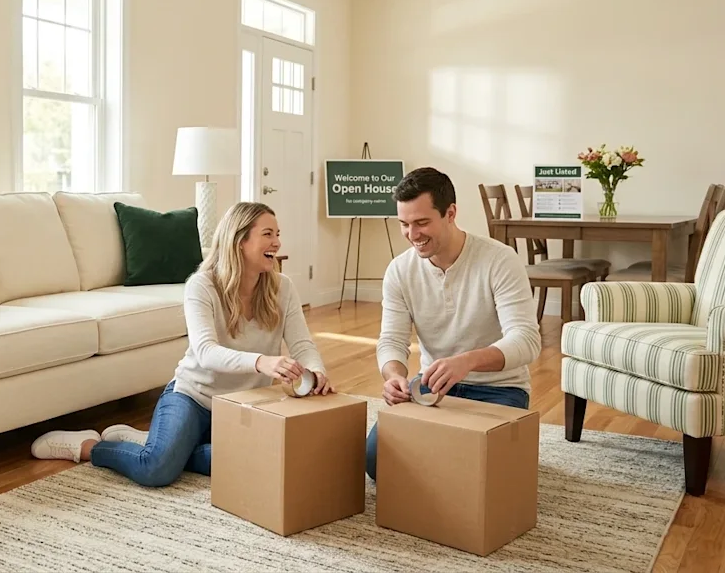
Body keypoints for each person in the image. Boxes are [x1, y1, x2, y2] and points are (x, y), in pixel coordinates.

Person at [30, 201, 333, 487]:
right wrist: (261, 362)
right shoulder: (201, 285)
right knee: (156, 469)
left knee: (261, 460)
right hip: (193, 396)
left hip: (243, 404)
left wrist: (316, 372)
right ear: (239, 241)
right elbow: (205, 352)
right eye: (268, 234)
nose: (277, 243)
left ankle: (156, 442)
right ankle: (90, 447)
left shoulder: (283, 288)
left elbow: (302, 344)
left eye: (277, 234)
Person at [366, 167, 541, 481]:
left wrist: (467, 362)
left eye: (422, 223)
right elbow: (391, 340)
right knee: (376, 461)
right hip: (431, 389)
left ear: (450, 213)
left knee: (486, 477)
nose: (412, 235)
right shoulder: (399, 271)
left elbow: (527, 340)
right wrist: (394, 376)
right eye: (404, 224)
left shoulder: (499, 260)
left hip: (500, 390)